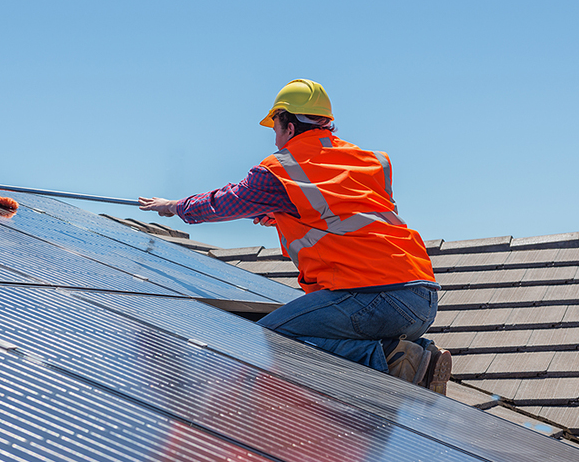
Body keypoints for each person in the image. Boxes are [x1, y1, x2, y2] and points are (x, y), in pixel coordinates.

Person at [139, 79, 451, 394]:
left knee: (267, 341)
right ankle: (424, 356)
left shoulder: (281, 168)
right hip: (421, 298)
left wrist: (176, 206)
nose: (275, 140)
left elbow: (227, 202)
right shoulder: (367, 161)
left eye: (275, 128)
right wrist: (278, 215)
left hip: (371, 299)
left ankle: (387, 357)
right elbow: (342, 214)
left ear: (288, 125)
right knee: (308, 334)